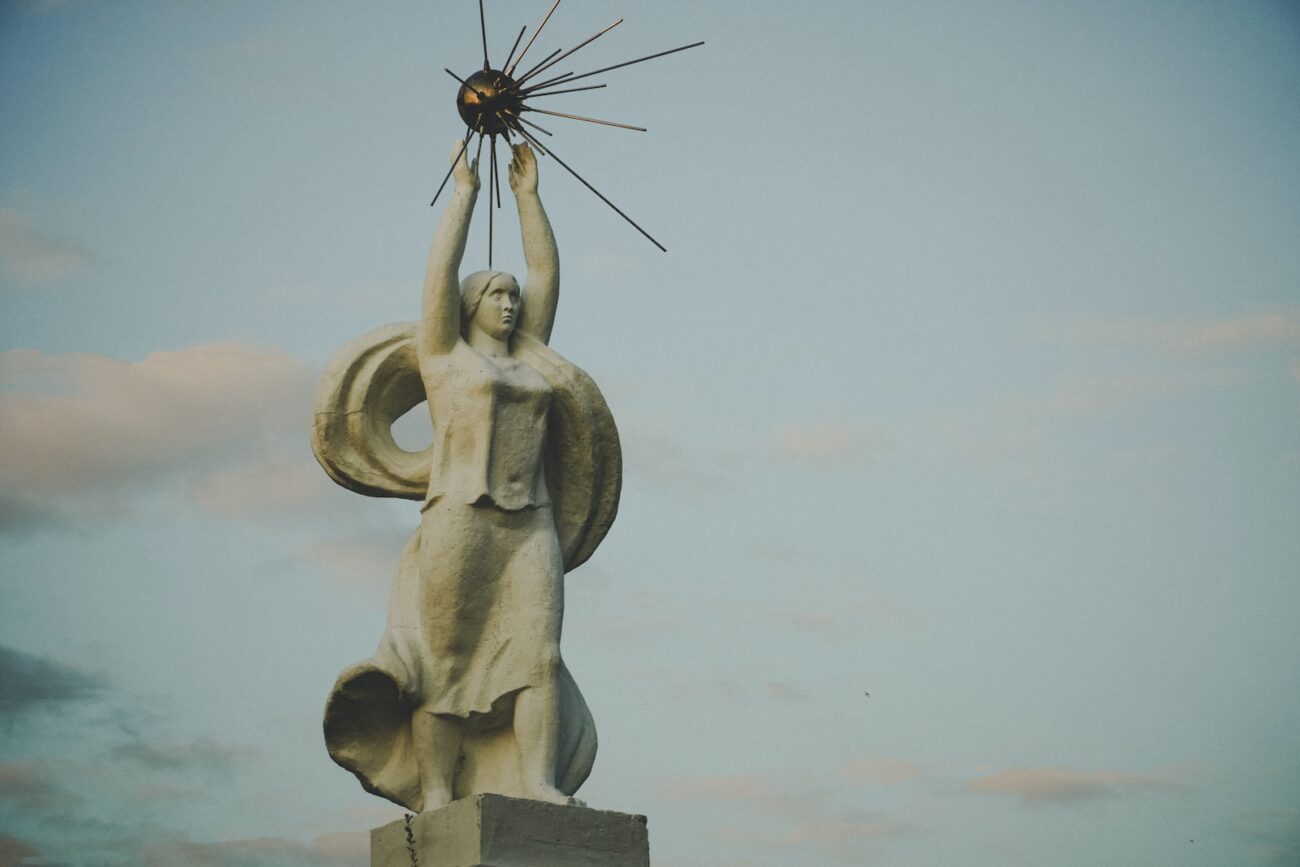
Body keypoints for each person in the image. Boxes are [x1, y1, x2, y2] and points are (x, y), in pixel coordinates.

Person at [321, 142, 616, 812]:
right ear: (470, 304)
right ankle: (434, 788)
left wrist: (529, 197)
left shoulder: (531, 363)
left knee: (538, 656)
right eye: (496, 294)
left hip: (528, 520)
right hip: (459, 517)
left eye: (513, 296)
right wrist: (464, 194)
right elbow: (438, 275)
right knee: (445, 667)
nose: (510, 304)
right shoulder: (444, 357)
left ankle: (538, 781)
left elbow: (545, 271)